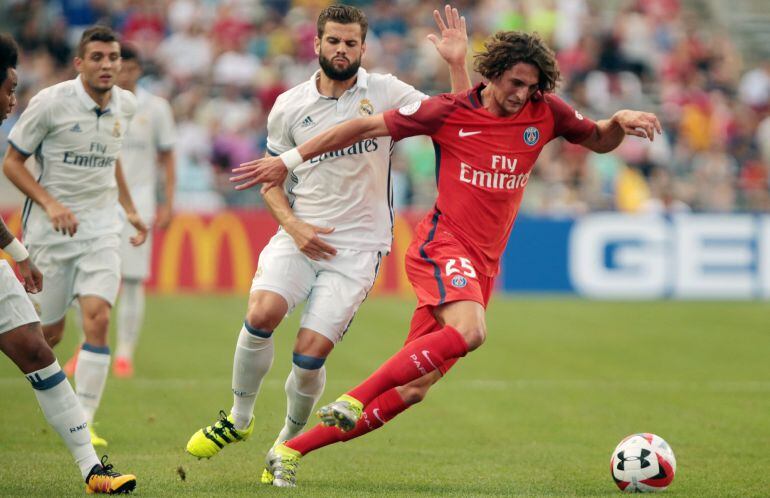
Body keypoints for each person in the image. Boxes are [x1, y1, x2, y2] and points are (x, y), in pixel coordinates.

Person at [232, 30, 661, 487]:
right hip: (441, 246)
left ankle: (289, 451)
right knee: (471, 331)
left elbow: (597, 138)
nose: (522, 94)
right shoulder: (449, 111)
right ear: (492, 74)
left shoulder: (546, 112)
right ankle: (355, 398)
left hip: (482, 267)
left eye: (531, 87)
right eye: (515, 82)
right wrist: (289, 160)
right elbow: (361, 126)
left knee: (414, 389)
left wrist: (618, 119)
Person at [184, 3, 471, 485]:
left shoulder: (386, 91)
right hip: (299, 234)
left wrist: (457, 63)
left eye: (351, 43)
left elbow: (459, 118)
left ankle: (284, 446)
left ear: (364, 47)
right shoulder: (289, 105)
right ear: (316, 44)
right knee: (261, 313)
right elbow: (271, 179)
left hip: (358, 248)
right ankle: (238, 417)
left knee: (309, 353)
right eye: (333, 41)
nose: (342, 50)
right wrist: (293, 226)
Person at [0, 32, 136, 495]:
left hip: (100, 229)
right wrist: (49, 205)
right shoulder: (49, 104)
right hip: (50, 235)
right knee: (46, 338)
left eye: (113, 57)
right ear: (79, 62)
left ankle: (90, 445)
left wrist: (130, 207)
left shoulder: (127, 107)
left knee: (95, 319)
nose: (106, 64)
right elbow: (13, 163)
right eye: (96, 57)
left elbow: (112, 158)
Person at [62, 43, 176, 379]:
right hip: (95, 200)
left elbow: (168, 157)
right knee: (84, 277)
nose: (123, 71)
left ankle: (124, 353)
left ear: (139, 69)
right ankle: (85, 346)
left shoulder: (155, 108)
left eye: (129, 65)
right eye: (118, 64)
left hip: (138, 203)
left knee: (132, 280)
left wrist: (168, 203)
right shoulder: (94, 103)